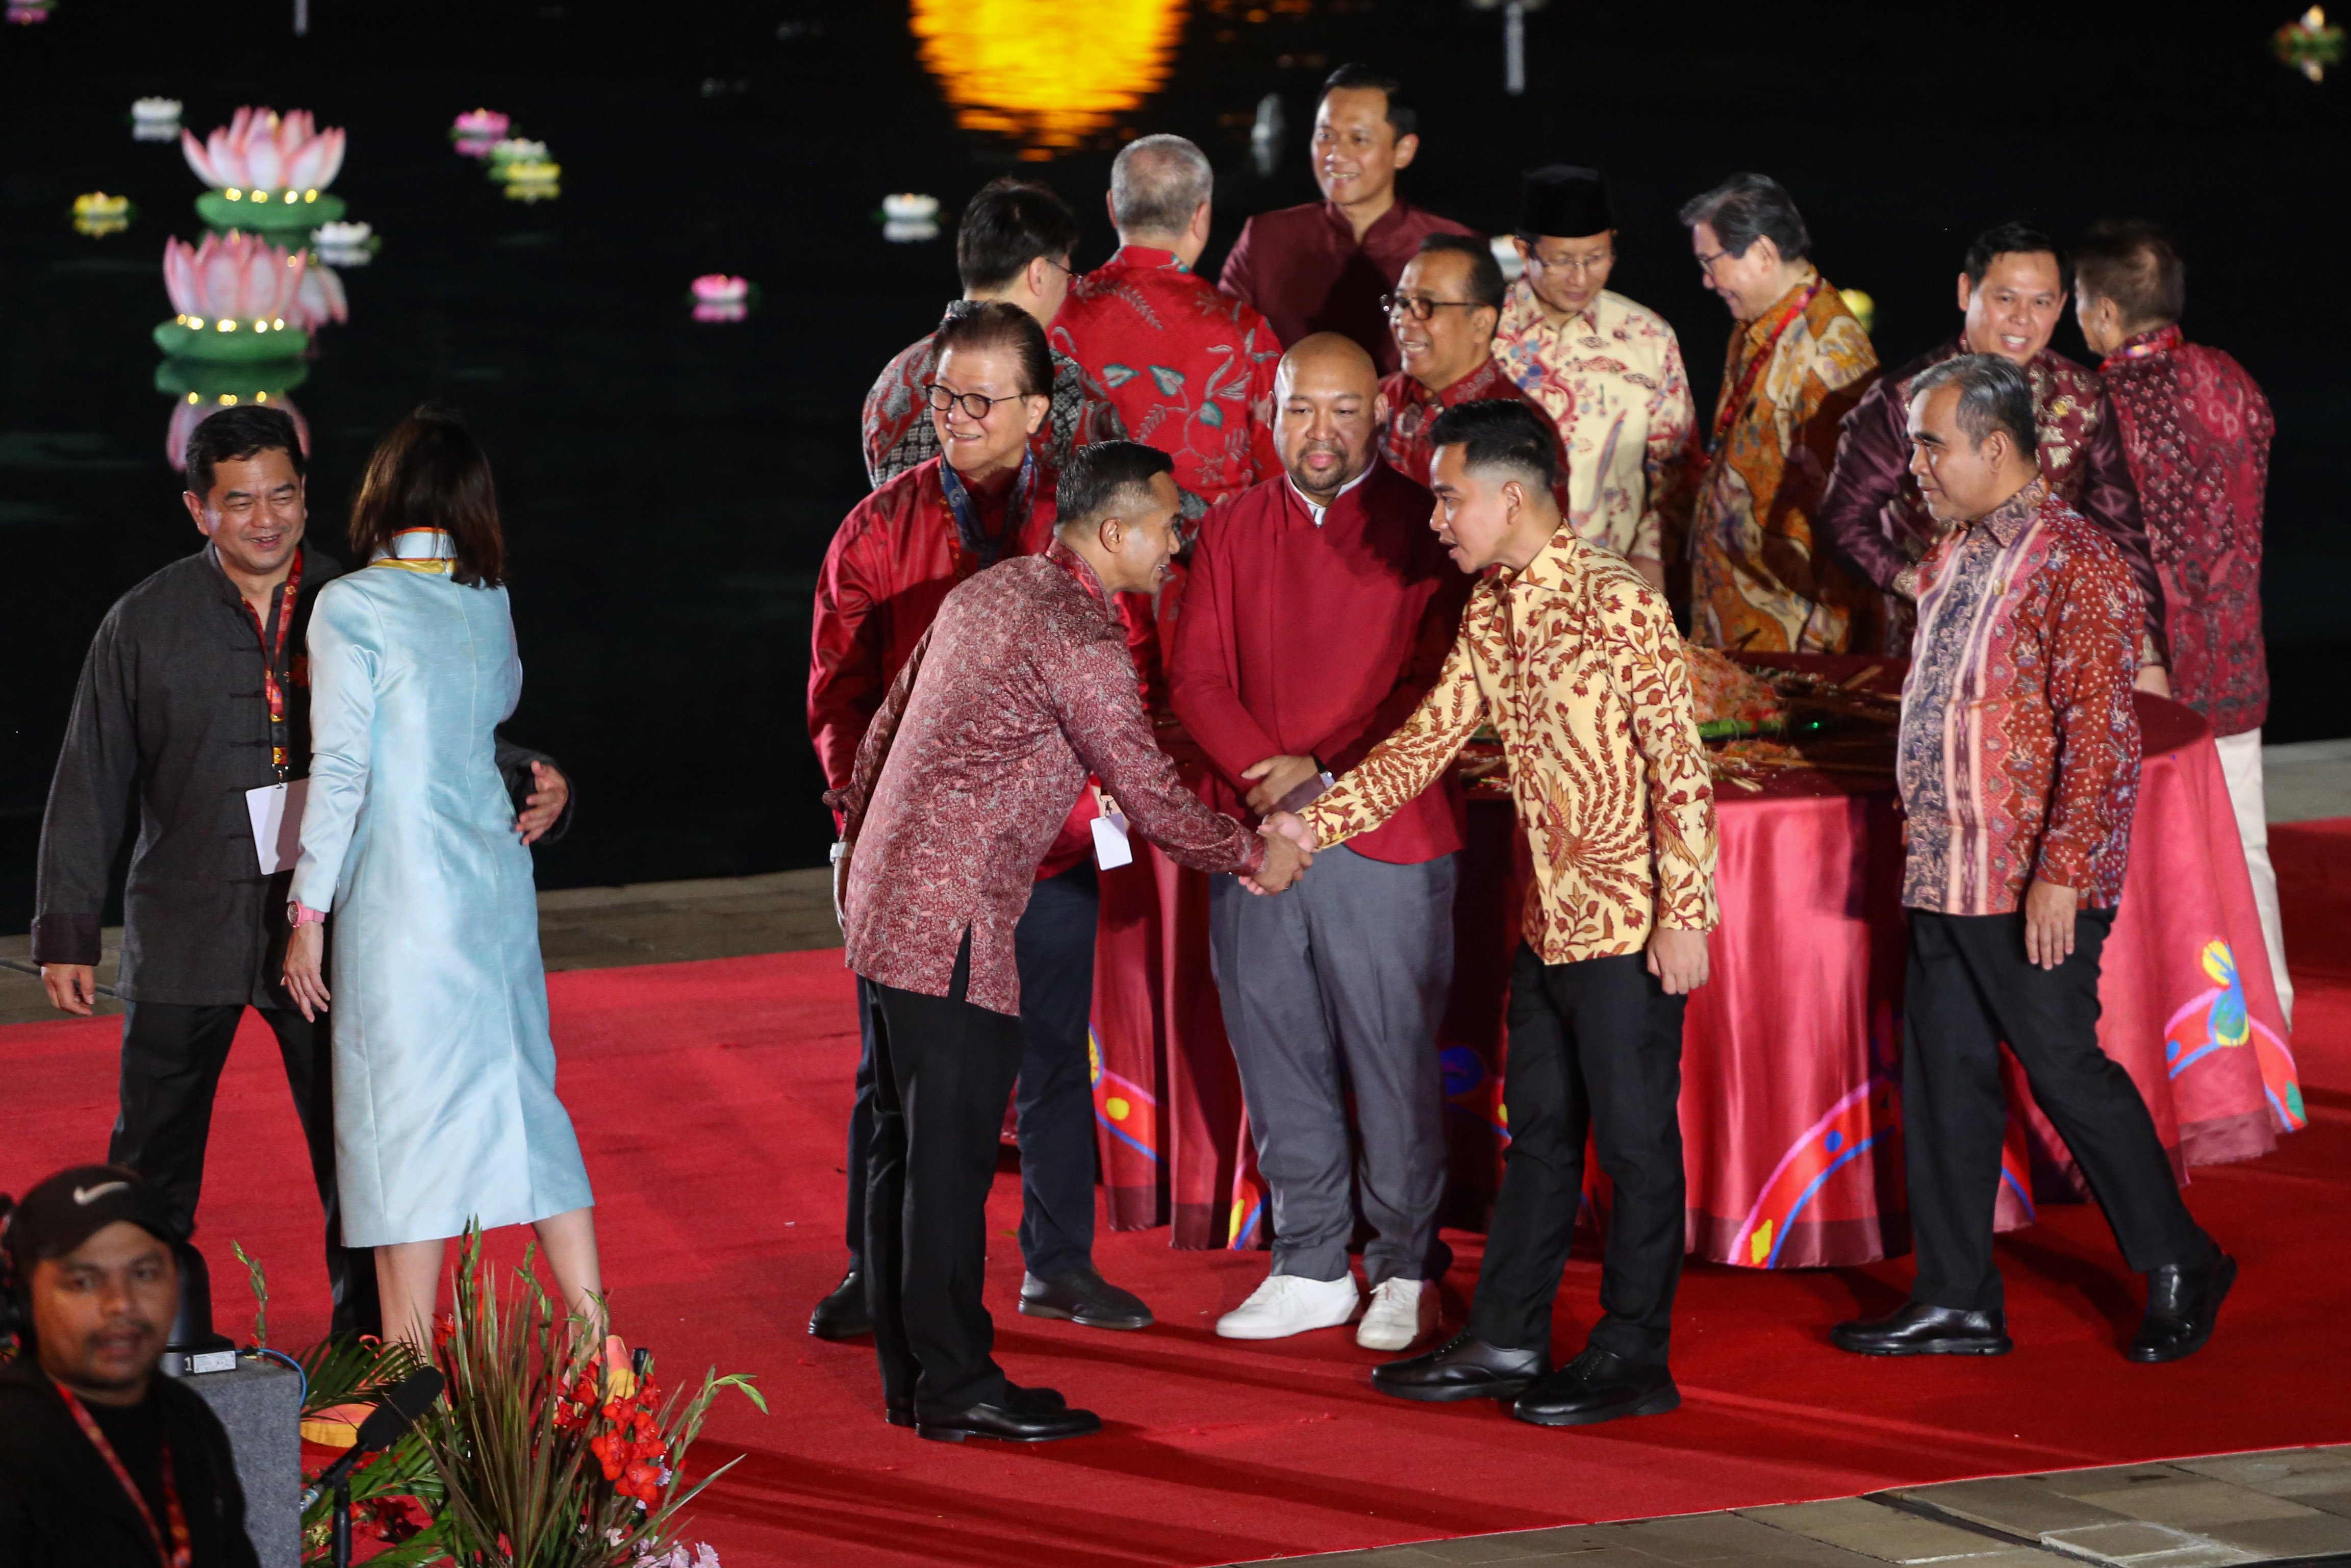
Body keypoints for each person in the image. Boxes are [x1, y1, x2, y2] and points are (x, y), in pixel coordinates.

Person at [30, 407, 571, 1339]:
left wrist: (532, 775)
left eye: (282, 494)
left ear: (308, 495)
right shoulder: (144, 621)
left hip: (334, 928)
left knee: (359, 1147)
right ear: (200, 510)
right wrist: (68, 929)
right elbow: (90, 778)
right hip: (185, 920)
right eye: (239, 502)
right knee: (154, 1157)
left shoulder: (363, 596)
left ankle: (367, 1351)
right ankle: (159, 1348)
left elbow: (438, 731)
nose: (265, 518)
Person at [830, 442, 1309, 1443]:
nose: (1179, 545)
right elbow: (1144, 792)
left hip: (888, 897)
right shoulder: (1079, 633)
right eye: (1170, 527)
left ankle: (914, 1380)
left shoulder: (992, 591)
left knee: (903, 1147)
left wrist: (854, 849)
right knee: (948, 1163)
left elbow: (882, 724)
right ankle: (957, 1387)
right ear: (1115, 531)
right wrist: (1252, 851)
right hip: (950, 919)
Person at [1265, 397, 1719, 1428]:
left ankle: (1633, 1353)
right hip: (1544, 923)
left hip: (1629, 928)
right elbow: (1425, 745)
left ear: (1510, 496)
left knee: (1637, 1144)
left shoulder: (1617, 600)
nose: (1437, 520)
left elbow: (1679, 768)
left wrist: (1685, 911)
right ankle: (1509, 1333)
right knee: (1544, 1137)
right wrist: (1307, 829)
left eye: (1448, 497)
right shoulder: (1495, 607)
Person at [1830, 355, 2233, 1364]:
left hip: (2026, 881)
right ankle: (1956, 1296)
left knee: (2063, 1068)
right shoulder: (1955, 546)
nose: (1913, 463)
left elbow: (2100, 732)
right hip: (1945, 870)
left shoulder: (2076, 560)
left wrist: (2060, 872)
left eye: (1931, 444)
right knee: (1945, 1078)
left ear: (1995, 448)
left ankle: (2181, 1255)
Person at [810, 301, 1158, 1344]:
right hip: (917, 860)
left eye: (977, 399)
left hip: (1048, 847)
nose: (951, 417)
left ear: (1038, 411)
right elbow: (839, 690)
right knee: (892, 1077)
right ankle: (876, 1275)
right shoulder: (880, 526)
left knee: (1052, 1059)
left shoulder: (1085, 522)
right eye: (942, 396)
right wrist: (853, 821)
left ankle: (1057, 1264)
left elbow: (1130, 655)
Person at [1166, 333, 1472, 1353]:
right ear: (1271, 413)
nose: (1322, 432)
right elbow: (1196, 679)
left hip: (1388, 832)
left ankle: (1400, 1263)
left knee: (1392, 1058)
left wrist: (1325, 781)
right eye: (1303, 410)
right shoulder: (1232, 528)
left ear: (1379, 416)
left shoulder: (1424, 530)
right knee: (1276, 1047)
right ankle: (1306, 1259)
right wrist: (1272, 781)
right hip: (1256, 837)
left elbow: (1434, 688)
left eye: (1344, 412)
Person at [279, 412, 602, 1351]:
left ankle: (411, 1362)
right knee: (522, 1095)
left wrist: (308, 911)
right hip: (492, 882)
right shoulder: (486, 595)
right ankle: (597, 1341)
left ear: (381, 492)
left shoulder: (352, 604)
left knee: (394, 1122)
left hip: (400, 893)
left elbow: (341, 770)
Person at [2073, 219, 2288, 1023]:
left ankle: (2171, 1029)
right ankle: (2273, 1021)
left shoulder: (2099, 403)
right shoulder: (2233, 380)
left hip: (2147, 669)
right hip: (2235, 658)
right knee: (2246, 850)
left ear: (2099, 312)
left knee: (2145, 859)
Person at [1815, 222, 2167, 674]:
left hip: (2053, 656)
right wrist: (1918, 583)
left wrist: (2147, 657)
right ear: (1967, 292)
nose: (2022, 318)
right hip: (1930, 654)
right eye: (2005, 299)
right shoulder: (1902, 399)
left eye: (2040, 302)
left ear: (2060, 306)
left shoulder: (2083, 397)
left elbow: (2123, 539)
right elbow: (1842, 521)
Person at [0, 1166, 258, 1566]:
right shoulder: (12, 1442)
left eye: (144, 1273)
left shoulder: (187, 1419)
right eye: (83, 1282)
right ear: (23, 1300)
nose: (120, 1302)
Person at [1677, 173, 1880, 652]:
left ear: (1763, 253)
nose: (1706, 281)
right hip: (1735, 625)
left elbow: (1853, 518)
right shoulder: (1756, 326)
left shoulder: (1831, 354)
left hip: (1794, 642)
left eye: (1711, 263)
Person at [1493, 164, 1697, 594]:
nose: (1581, 277)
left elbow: (1677, 464)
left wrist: (1653, 554)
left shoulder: (1647, 336)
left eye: (1596, 258)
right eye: (1563, 261)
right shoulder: (1484, 331)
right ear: (1524, 251)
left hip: (1611, 578)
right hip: (1495, 576)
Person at [1050, 134, 1281, 507]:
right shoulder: (1244, 331)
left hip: (1075, 555)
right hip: (1205, 557)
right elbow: (1276, 469)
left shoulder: (1054, 312)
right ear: (1201, 214)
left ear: (1112, 208)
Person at [864, 177, 1126, 486]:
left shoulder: (892, 379)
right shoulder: (1061, 383)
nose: (1068, 289)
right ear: (1038, 273)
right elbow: (1116, 502)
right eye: (1068, 275)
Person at [1219, 64, 1475, 374]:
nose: (1335, 154)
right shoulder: (1265, 239)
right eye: (1326, 135)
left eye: (1358, 140)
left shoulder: (1457, 251)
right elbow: (1224, 354)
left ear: (1404, 151)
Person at [1377, 234, 1570, 510]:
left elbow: (1540, 546)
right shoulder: (1378, 398)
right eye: (1402, 302)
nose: (1403, 320)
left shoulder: (1519, 434)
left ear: (1481, 323)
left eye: (1426, 306)